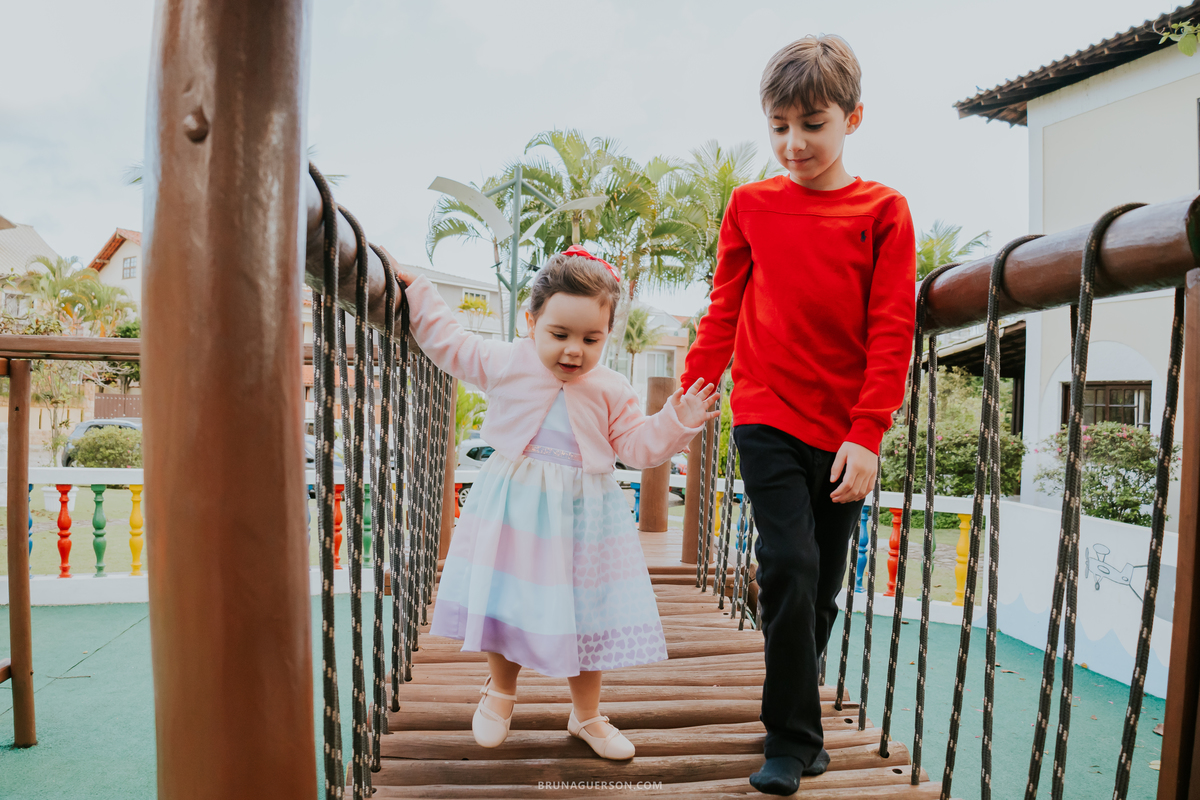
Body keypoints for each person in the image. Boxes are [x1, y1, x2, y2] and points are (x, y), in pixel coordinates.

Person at [680, 35, 916, 795]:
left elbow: (891, 329)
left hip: (845, 430)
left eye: (812, 123)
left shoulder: (884, 212)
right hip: (766, 413)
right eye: (779, 124)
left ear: (852, 118)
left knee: (819, 589)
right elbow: (724, 309)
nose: (793, 142)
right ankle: (789, 739)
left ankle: (798, 715)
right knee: (787, 562)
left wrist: (869, 432)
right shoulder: (750, 205)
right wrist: (694, 388)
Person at [390, 245, 719, 760]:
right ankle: (500, 692)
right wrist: (420, 293)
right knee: (508, 600)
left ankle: (586, 715)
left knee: (587, 613)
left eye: (591, 339)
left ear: (608, 334)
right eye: (559, 335)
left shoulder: (611, 388)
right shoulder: (507, 362)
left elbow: (635, 447)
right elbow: (450, 344)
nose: (573, 351)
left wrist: (677, 420)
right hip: (516, 513)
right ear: (531, 321)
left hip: (587, 521)